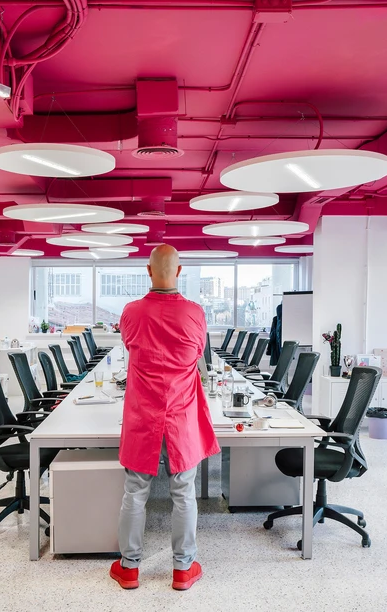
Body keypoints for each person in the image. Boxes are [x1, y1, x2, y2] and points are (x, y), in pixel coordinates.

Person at [109, 244, 219, 591]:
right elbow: (198, 354)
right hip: (181, 416)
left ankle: (129, 569)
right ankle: (183, 570)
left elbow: (130, 345)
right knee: (183, 493)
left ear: (149, 270)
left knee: (135, 492)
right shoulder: (195, 314)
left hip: (143, 415)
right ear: (179, 271)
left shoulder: (131, 312)